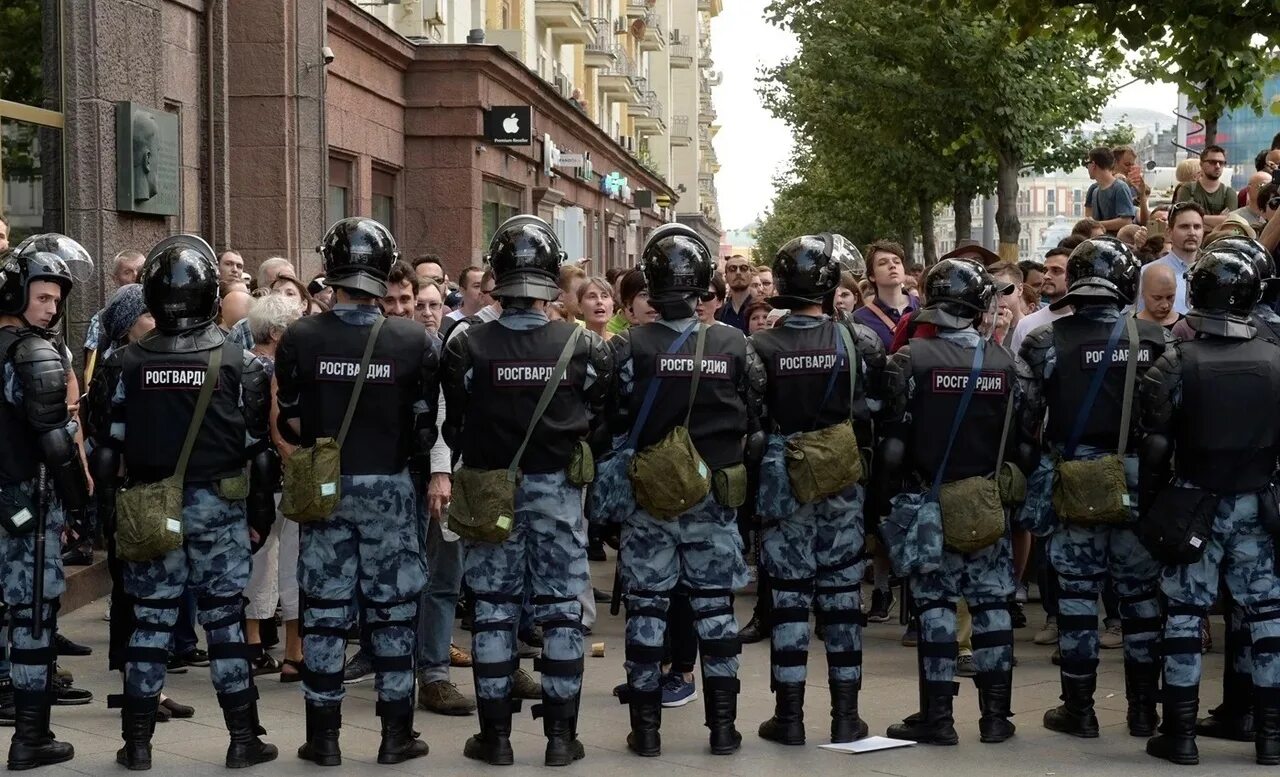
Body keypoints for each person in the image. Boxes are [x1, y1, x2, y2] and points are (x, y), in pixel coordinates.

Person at [90, 234, 277, 770]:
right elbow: (258, 456)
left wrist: (110, 522)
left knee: (148, 625)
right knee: (223, 624)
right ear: (209, 296)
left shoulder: (124, 363)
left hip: (149, 505)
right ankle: (243, 739)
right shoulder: (244, 365)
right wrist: (259, 516)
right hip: (219, 510)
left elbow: (108, 452)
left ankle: (138, 744)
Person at [442, 215, 613, 766]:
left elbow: (453, 425)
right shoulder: (581, 344)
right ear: (548, 282)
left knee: (493, 610)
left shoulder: (466, 345)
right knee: (562, 611)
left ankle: (494, 738)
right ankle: (562, 738)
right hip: (558, 493)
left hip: (489, 489)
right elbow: (600, 418)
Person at [274, 218, 439, 766]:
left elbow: (291, 416)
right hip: (390, 487)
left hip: (326, 485)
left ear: (332, 269)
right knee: (392, 612)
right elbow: (425, 425)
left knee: (323, 611)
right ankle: (396, 736)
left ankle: (323, 739)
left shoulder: (301, 334)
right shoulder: (414, 338)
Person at [608, 223, 765, 757]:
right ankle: (723, 728)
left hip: (649, 500)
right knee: (716, 610)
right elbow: (754, 413)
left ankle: (646, 732)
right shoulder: (735, 343)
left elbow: (610, 417)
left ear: (650, 284)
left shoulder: (626, 346)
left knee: (648, 612)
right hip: (713, 497)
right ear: (704, 284)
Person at [1016, 238, 1170, 741]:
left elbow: (1026, 422)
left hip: (1075, 482)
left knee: (1078, 599)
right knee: (1141, 600)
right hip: (1138, 483)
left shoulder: (1044, 344)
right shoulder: (1156, 340)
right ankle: (1144, 711)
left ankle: (1078, 709)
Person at [880, 259, 1032, 746]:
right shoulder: (1008, 363)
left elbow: (892, 440)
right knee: (991, 608)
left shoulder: (911, 359)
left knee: (937, 609)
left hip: (929, 501)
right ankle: (996, 717)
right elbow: (1025, 439)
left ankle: (938, 717)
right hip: (986, 500)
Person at [1137, 246, 1280, 766]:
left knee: (1184, 614)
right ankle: (1270, 735)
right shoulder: (1275, 358)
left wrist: (1150, 508)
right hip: (1256, 503)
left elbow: (1153, 446)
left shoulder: (1177, 360)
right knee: (1267, 617)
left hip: (1194, 501)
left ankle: (1179, 733)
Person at [750, 233, 886, 746]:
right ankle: (847, 716)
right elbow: (877, 411)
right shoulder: (859, 341)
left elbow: (752, 420)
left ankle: (788, 717)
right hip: (841, 482)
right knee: (842, 598)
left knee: (787, 600)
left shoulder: (760, 346)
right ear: (830, 287)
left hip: (784, 482)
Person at [0, 235, 92, 770]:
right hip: (26, 509)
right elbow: (56, 440)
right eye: (43, 298)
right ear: (16, 295)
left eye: (58, 300)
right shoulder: (31, 352)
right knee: (33, 616)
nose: (52, 309)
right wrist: (80, 505)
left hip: (10, 502)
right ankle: (30, 738)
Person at [242, 293, 305, 680]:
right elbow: (279, 426)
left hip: (251, 478)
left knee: (259, 560)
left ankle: (252, 645)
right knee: (293, 563)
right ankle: (294, 654)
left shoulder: (239, 364)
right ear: (280, 332)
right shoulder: (281, 368)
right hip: (285, 473)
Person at [1139, 202, 1204, 317]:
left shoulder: (1213, 273)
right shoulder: (1148, 272)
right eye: (1184, 226)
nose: (1192, 233)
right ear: (1169, 232)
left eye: (1197, 227)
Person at [853, 240, 917, 349]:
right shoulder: (859, 319)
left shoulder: (924, 306)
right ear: (872, 276)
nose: (892, 266)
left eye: (897, 262)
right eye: (883, 263)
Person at [1010, 247, 1071, 355]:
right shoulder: (1025, 324)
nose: (1046, 276)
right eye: (1045, 270)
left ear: (1072, 274)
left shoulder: (1088, 322)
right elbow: (1016, 368)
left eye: (1056, 270)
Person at [1175, 145, 1237, 229]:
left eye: (1221, 163)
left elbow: (1230, 223)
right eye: (1212, 162)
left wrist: (1197, 217)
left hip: (1219, 240)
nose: (1218, 166)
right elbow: (1183, 218)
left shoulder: (1229, 193)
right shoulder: (1188, 189)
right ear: (1201, 164)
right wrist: (1218, 220)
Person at [1136, 263, 1182, 330]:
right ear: (1143, 293)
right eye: (1157, 298)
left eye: (1170, 297)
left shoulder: (1187, 327)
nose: (1165, 305)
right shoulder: (1129, 329)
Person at [716, 255, 755, 333]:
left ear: (751, 275)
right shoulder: (718, 313)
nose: (738, 272)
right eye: (732, 269)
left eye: (743, 268)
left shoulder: (762, 310)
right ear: (726, 277)